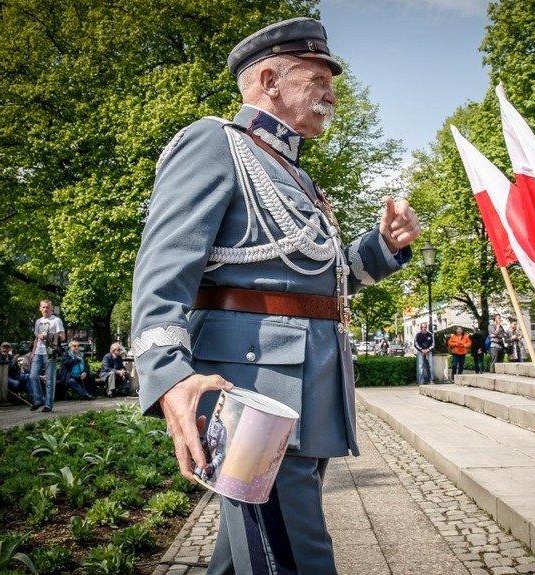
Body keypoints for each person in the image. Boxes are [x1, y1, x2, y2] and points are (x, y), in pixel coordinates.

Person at [130, 16, 420, 575]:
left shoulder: (294, 174)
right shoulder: (215, 144)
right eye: (319, 81)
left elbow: (319, 282)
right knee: (293, 555)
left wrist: (382, 246)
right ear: (268, 80)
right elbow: (161, 271)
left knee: (248, 557)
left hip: (305, 385)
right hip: (254, 389)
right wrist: (168, 372)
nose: (333, 95)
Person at [28, 299, 65, 412]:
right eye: (43, 307)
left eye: (47, 307)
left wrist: (48, 336)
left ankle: (48, 404)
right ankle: (38, 400)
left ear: (51, 308)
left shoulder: (56, 320)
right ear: (40, 308)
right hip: (38, 352)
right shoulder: (38, 321)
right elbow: (36, 338)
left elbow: (62, 337)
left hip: (49, 352)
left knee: (49, 379)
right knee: (33, 376)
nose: (45, 309)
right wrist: (33, 353)